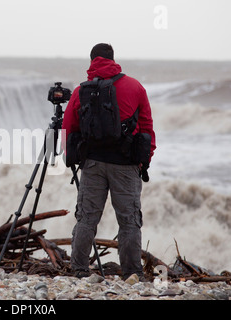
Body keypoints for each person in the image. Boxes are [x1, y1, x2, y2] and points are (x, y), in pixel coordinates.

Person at [62, 43, 156, 280]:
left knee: (87, 218)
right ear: (113, 59)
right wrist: (145, 160)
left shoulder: (80, 91)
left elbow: (68, 128)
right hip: (125, 165)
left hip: (92, 163)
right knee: (129, 221)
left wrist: (74, 157)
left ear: (92, 60)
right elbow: (146, 127)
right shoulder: (135, 87)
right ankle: (132, 273)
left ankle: (79, 269)